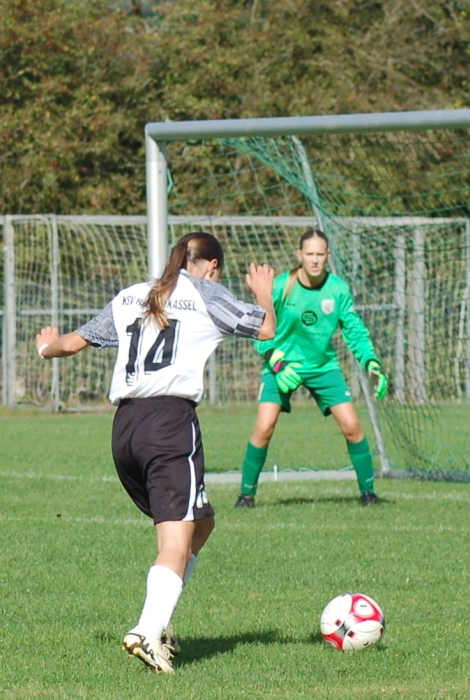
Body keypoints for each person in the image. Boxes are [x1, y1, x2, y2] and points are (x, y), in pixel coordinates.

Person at [36, 232, 276, 673]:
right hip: (169, 424)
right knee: (175, 542)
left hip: (125, 428)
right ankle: (147, 630)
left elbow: (70, 344)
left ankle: (160, 621)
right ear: (212, 266)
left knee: (201, 522)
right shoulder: (205, 293)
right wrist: (264, 293)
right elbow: (266, 329)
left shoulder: (133, 295)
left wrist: (43, 347)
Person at [236, 228, 389, 508]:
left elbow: (354, 331)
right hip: (281, 365)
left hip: (323, 366)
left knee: (352, 426)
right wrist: (276, 361)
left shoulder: (338, 290)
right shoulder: (282, 286)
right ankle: (246, 496)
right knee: (264, 427)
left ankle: (368, 493)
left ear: (328, 255)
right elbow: (258, 328)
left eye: (320, 254)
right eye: (309, 254)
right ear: (299, 254)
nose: (315, 260)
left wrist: (371, 362)